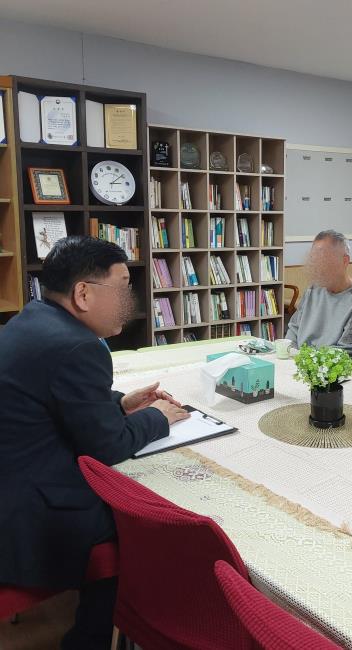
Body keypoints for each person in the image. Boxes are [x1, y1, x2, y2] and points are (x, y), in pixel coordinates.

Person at [0, 236, 189, 650]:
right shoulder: (78, 345)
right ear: (83, 294)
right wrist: (159, 417)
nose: (129, 300)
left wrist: (120, 403)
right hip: (28, 513)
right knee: (141, 521)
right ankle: (91, 637)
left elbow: (59, 398)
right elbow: (108, 447)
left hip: (13, 480)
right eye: (122, 287)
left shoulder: (33, 318)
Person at [286, 230, 352, 363]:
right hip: (298, 364)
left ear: (345, 261)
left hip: (329, 370)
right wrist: (290, 355)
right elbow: (293, 330)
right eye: (314, 260)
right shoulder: (313, 290)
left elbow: (345, 352)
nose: (317, 267)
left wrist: (305, 361)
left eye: (323, 260)